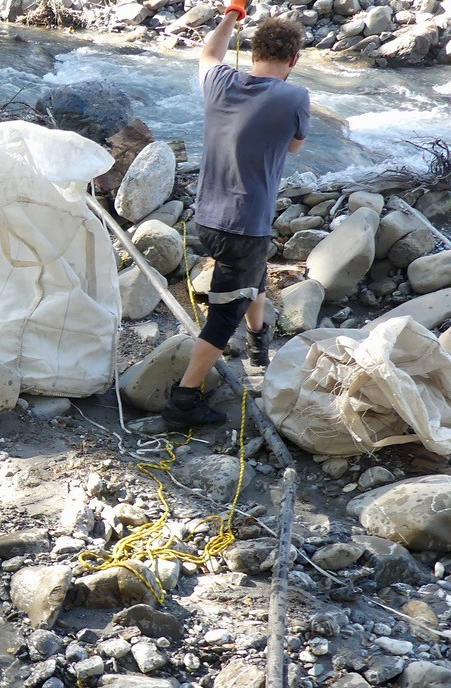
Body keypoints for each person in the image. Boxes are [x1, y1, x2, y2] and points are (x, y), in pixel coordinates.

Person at [163, 5, 310, 430]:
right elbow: (296, 147)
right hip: (245, 224)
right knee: (225, 310)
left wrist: (231, 16)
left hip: (207, 217)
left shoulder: (220, 80)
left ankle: (258, 339)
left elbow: (209, 53)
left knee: (251, 276)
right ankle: (183, 402)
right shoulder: (295, 96)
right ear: (294, 60)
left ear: (253, 50)